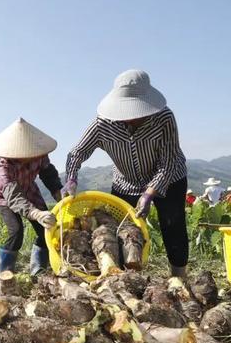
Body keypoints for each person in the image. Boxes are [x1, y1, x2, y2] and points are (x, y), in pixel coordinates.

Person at [64, 69, 189, 279]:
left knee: (172, 226)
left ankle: (179, 278)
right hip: (126, 184)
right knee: (121, 232)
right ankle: (121, 278)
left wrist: (149, 194)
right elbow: (77, 152)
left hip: (169, 179)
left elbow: (168, 162)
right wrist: (71, 179)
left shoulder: (164, 118)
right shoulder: (102, 124)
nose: (133, 118)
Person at [0, 118, 62, 275]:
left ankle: (37, 269)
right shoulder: (6, 163)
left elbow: (48, 173)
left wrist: (58, 192)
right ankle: (5, 273)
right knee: (16, 231)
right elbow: (13, 196)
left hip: (29, 190)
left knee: (46, 230)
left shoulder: (39, 154)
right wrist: (35, 213)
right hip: (4, 196)